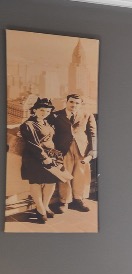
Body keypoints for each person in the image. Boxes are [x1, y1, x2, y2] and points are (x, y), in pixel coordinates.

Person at [16, 97, 66, 225]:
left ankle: (44, 207)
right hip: (34, 158)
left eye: (48, 111)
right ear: (35, 110)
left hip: (50, 156)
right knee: (36, 183)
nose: (45, 113)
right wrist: (45, 158)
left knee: (51, 182)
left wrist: (53, 156)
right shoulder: (28, 125)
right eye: (42, 110)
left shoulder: (46, 123)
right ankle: (40, 209)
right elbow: (33, 144)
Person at [49, 92, 96, 213]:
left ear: (81, 104)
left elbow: (93, 134)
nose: (73, 105)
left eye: (77, 103)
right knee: (65, 174)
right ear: (66, 102)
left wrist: (93, 151)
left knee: (80, 174)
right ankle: (64, 201)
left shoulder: (87, 114)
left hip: (82, 149)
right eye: (71, 102)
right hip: (63, 149)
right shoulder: (56, 115)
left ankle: (78, 200)